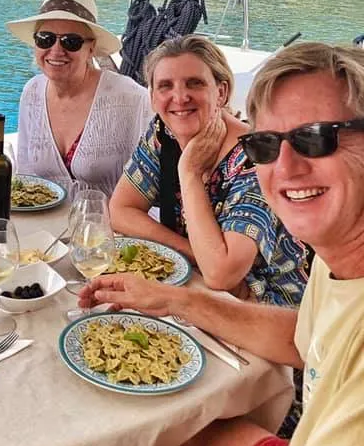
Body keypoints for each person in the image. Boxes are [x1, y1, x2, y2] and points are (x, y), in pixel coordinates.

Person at [0, 41, 364, 446]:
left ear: (221, 94)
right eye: (268, 145)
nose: (288, 167)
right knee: (164, 436)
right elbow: (303, 335)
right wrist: (175, 299)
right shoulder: (337, 259)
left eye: (319, 137)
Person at [110, 34, 307, 305]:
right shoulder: (162, 133)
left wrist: (189, 172)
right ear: (153, 97)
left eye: (195, 83)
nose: (179, 97)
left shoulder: (256, 159)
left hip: (267, 309)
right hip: (192, 283)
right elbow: (120, 211)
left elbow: (220, 274)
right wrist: (194, 252)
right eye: (165, 86)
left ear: (222, 92)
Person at [7, 0, 152, 196]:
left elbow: (154, 181)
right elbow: (26, 174)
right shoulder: (32, 92)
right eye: (45, 39)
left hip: (110, 225)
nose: (56, 50)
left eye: (71, 41)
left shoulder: (131, 98)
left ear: (91, 48)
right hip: (44, 221)